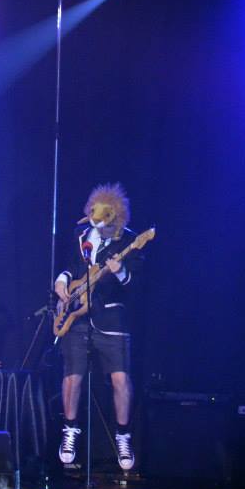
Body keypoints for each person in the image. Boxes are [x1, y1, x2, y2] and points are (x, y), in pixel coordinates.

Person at [54, 183, 142, 472]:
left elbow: (136, 285)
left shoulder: (129, 240)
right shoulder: (81, 236)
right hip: (77, 317)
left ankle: (123, 435)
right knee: (72, 377)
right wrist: (62, 281)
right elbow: (71, 267)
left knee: (120, 380)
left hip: (112, 319)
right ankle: (69, 430)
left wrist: (120, 271)